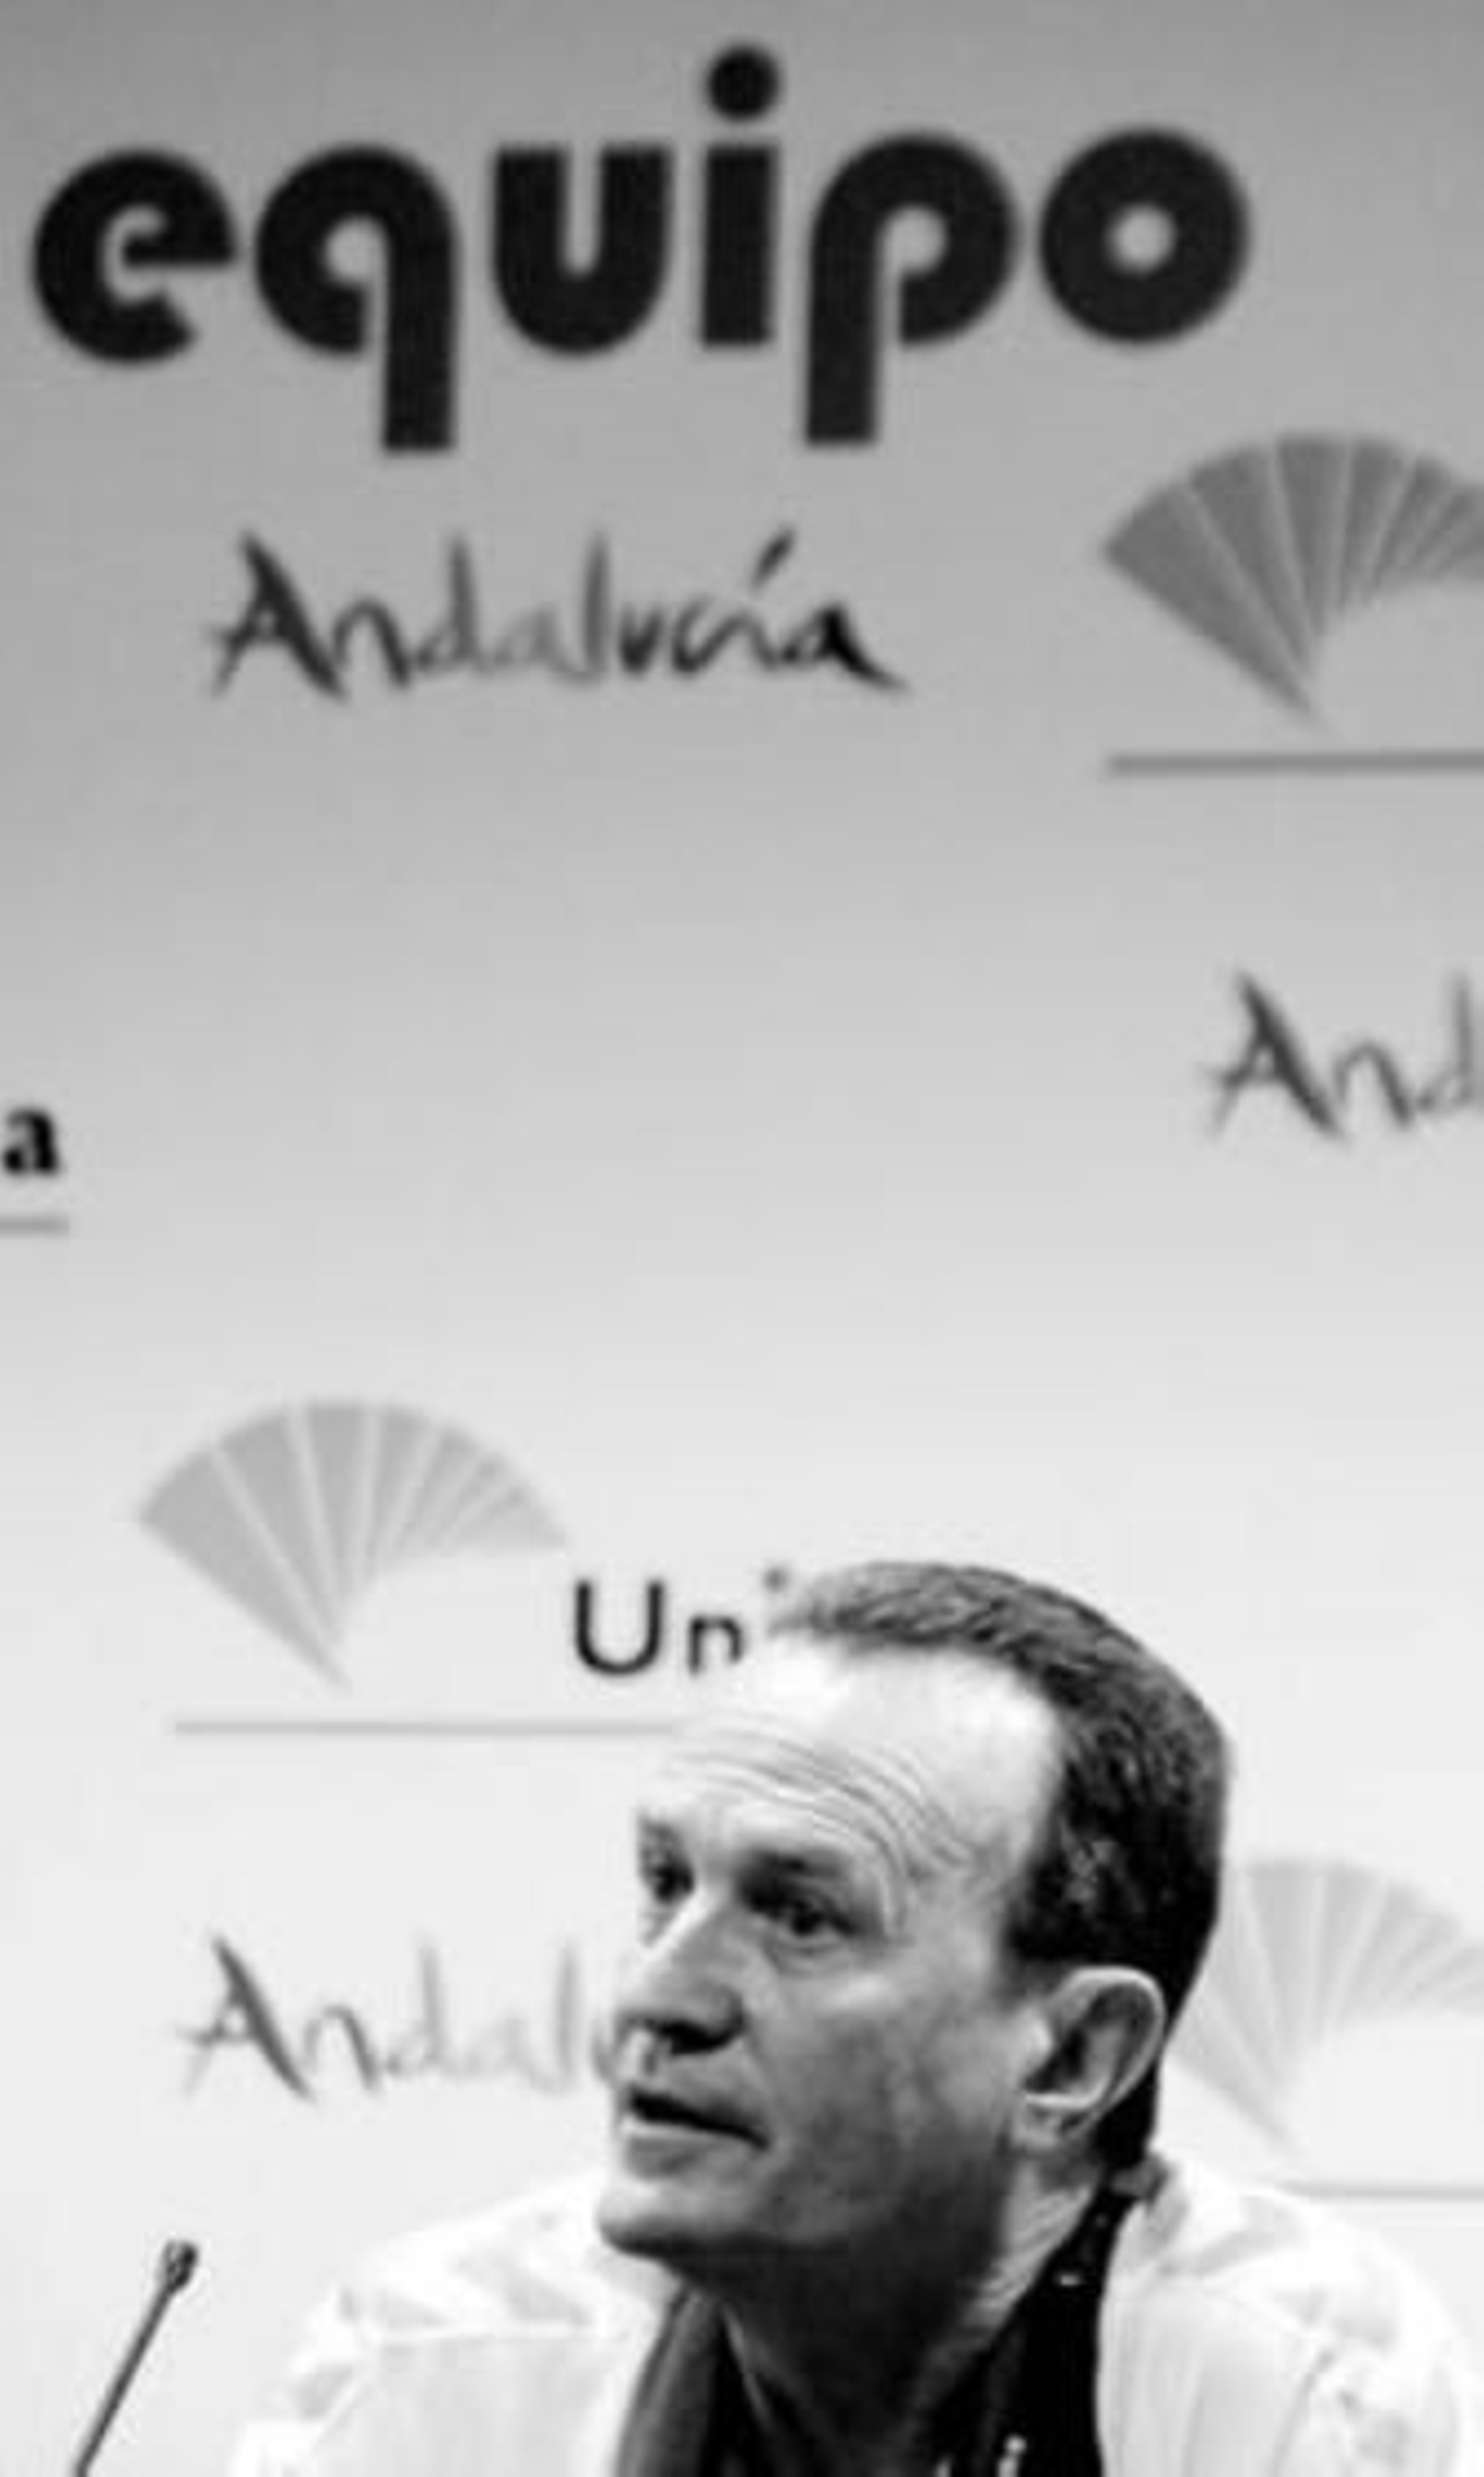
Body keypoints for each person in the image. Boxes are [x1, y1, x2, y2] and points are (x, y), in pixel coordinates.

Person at [230, 1561, 1479, 2474]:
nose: (656, 1994)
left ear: (1072, 2056)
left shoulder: (1289, 2386)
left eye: (802, 1916)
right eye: (665, 1881)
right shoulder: (439, 2360)